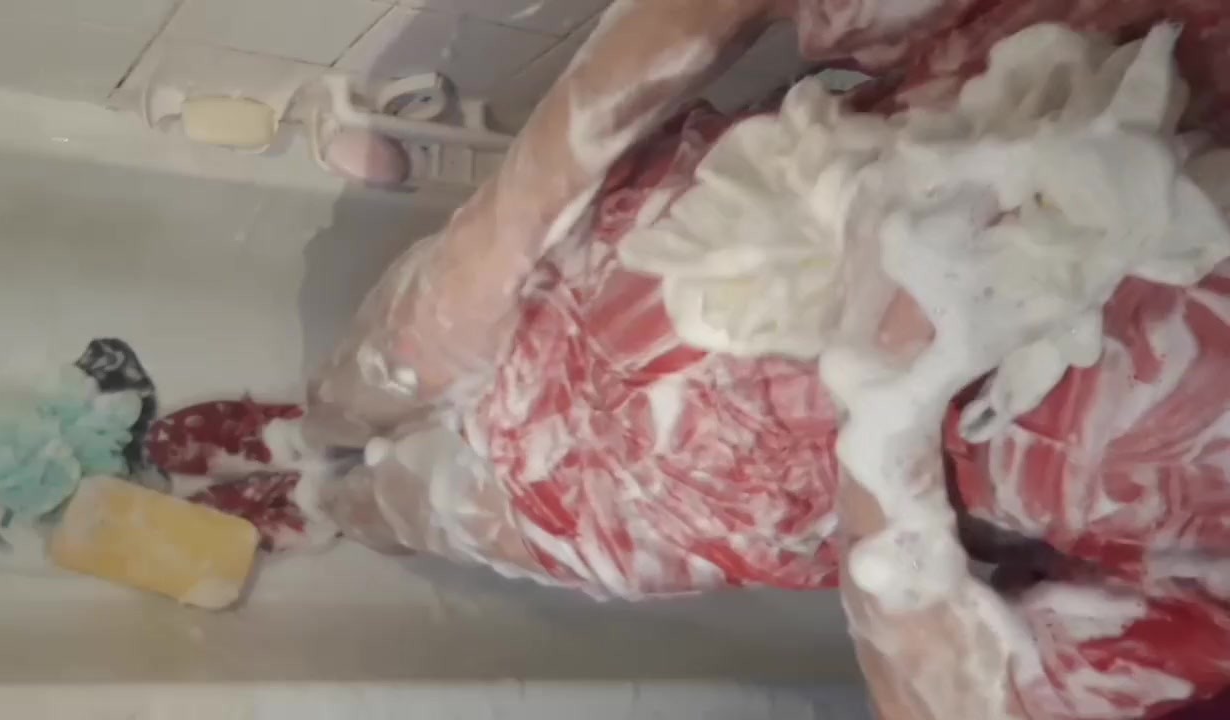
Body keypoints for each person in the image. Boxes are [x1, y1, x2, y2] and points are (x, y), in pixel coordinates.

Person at [304, 0, 1230, 717]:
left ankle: (317, 507)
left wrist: (891, 424)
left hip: (659, 511)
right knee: (348, 394)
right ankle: (303, 448)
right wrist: (493, 242)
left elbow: (953, 705)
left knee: (385, 510)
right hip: (593, 242)